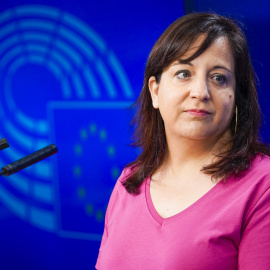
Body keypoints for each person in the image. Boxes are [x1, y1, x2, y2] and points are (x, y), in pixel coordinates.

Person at [96, 12, 270, 269]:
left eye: (219, 78)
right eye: (184, 73)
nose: (200, 92)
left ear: (236, 97)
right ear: (155, 91)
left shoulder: (262, 185)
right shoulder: (128, 183)